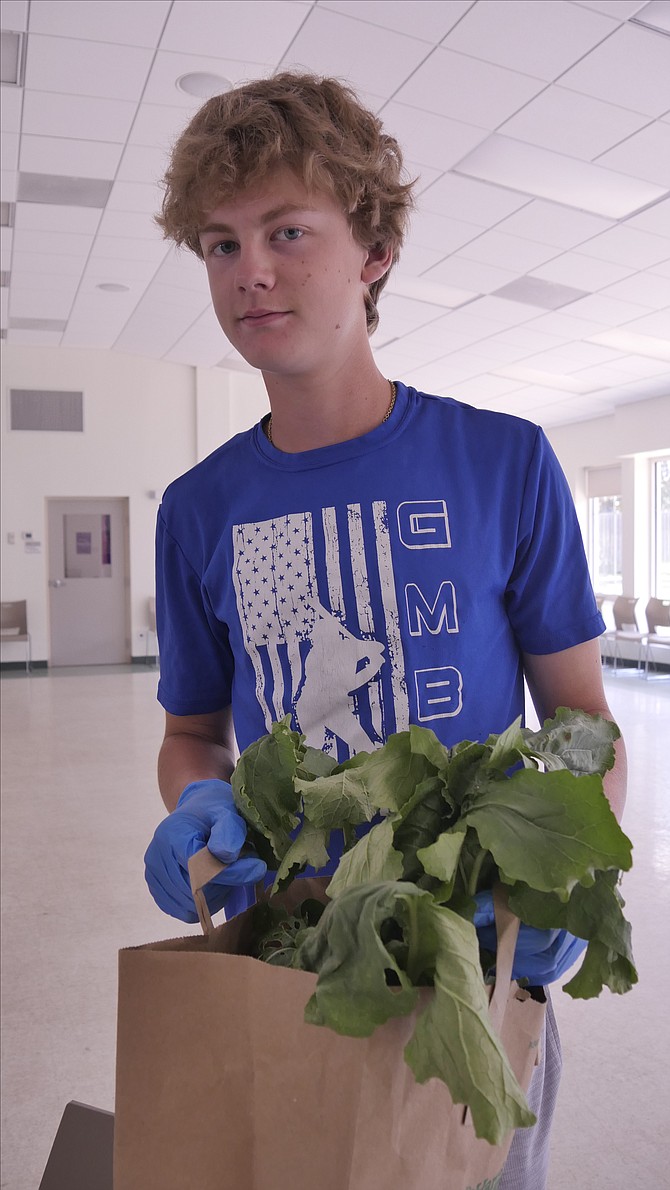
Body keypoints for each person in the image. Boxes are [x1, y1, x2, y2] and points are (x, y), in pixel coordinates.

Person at [144, 72, 627, 1190]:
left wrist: (556, 870)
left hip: (474, 977)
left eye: (286, 230)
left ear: (372, 253)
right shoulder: (199, 508)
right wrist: (199, 811)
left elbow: (585, 723)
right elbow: (190, 732)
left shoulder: (502, 463)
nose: (249, 270)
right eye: (218, 244)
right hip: (291, 963)